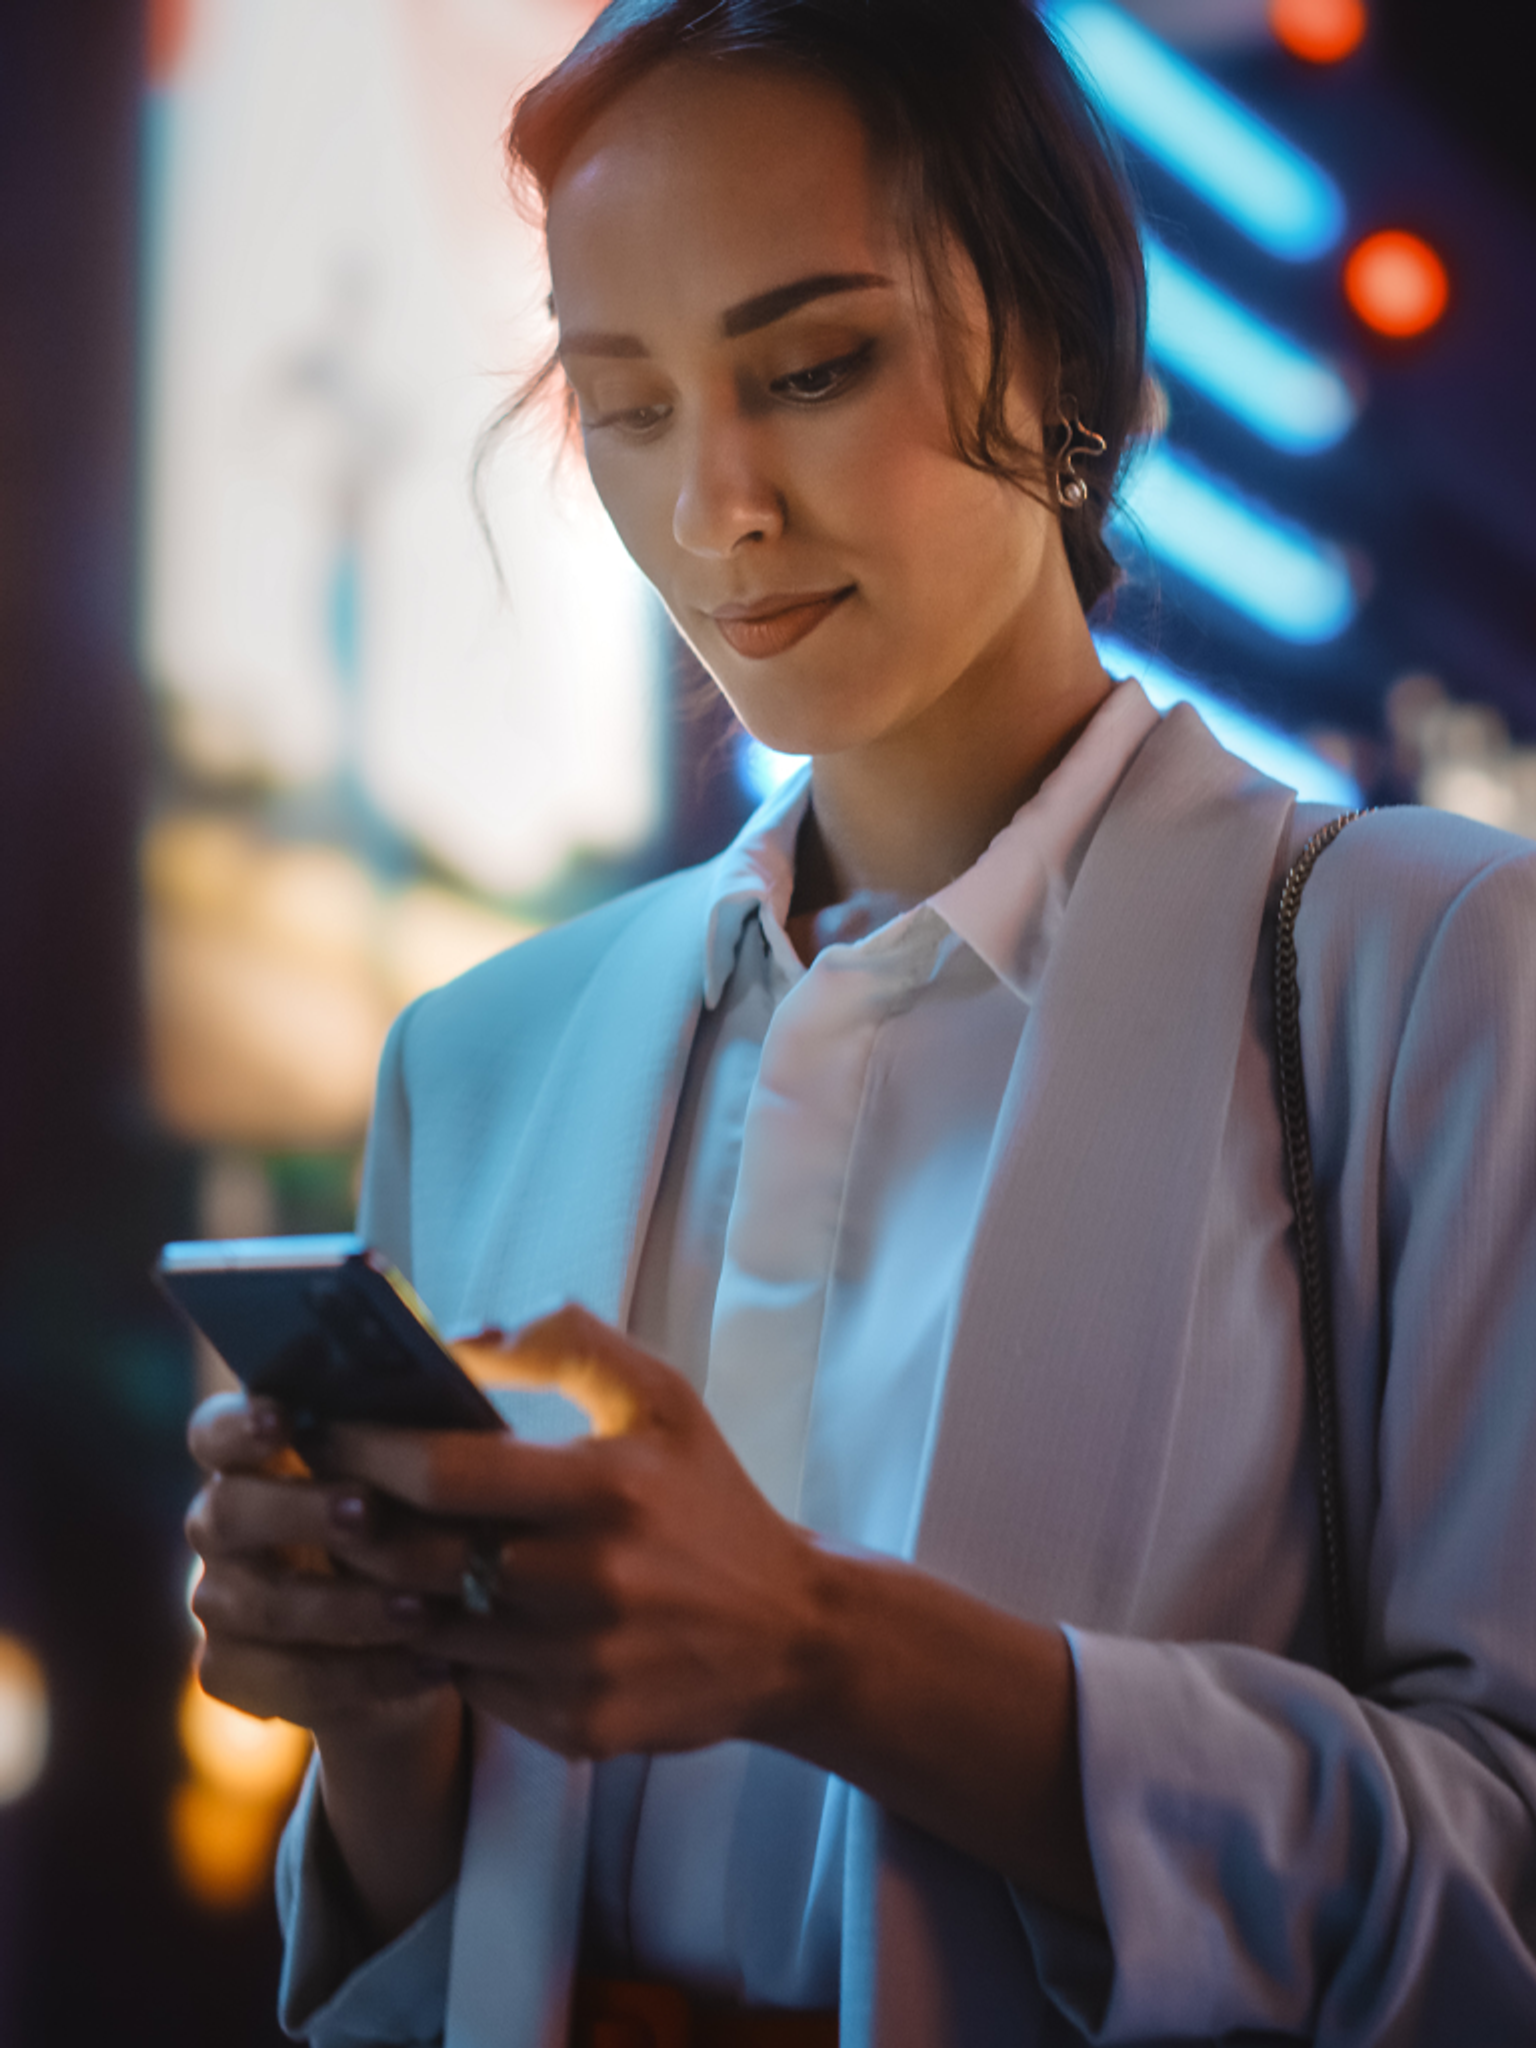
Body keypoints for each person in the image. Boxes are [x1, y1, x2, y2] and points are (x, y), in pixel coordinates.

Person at [184, 2, 1536, 2042]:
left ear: (1065, 352)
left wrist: (820, 1646)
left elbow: (1497, 1886)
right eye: (624, 405)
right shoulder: (476, 1062)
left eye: (811, 366)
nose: (714, 508)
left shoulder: (1429, 978)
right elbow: (434, 1946)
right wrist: (374, 1714)